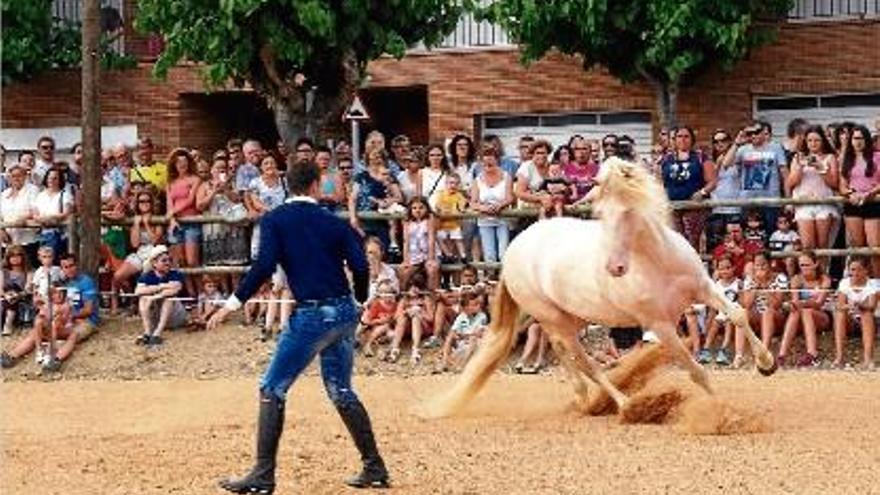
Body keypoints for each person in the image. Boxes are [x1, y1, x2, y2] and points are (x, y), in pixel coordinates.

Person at [207, 161, 389, 493]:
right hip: (344, 311)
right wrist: (360, 298)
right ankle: (374, 467)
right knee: (341, 390)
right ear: (317, 186)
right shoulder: (333, 221)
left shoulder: (275, 219)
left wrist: (231, 304)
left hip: (311, 315)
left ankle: (263, 475)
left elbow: (263, 266)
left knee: (271, 388)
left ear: (289, 185)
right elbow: (361, 263)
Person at [1, 252, 99, 372]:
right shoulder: (60, 282)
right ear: (61, 268)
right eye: (65, 267)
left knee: (74, 335)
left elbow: (88, 310)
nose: (69, 269)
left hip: (83, 320)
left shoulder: (86, 281)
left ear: (77, 265)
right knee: (37, 331)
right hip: (62, 319)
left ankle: (56, 359)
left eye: (72, 265)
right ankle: (12, 356)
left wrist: (68, 316)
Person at [134, 245, 188, 346]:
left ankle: (158, 333)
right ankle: (147, 332)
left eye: (169, 260)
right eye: (164, 260)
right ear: (154, 263)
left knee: (168, 299)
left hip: (175, 316)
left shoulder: (174, 273)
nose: (168, 263)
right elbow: (138, 291)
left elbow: (175, 289)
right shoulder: (146, 275)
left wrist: (154, 296)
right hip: (156, 315)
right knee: (143, 298)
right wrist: (162, 286)